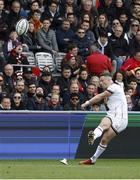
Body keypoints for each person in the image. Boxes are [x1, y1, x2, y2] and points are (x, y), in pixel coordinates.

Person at [79, 73, 128, 165]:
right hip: (112, 114)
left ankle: (93, 138)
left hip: (121, 118)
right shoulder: (115, 88)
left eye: (102, 80)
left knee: (104, 132)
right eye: (99, 81)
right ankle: (93, 159)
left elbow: (100, 96)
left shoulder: (114, 87)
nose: (100, 83)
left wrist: (87, 103)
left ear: (109, 80)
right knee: (104, 135)